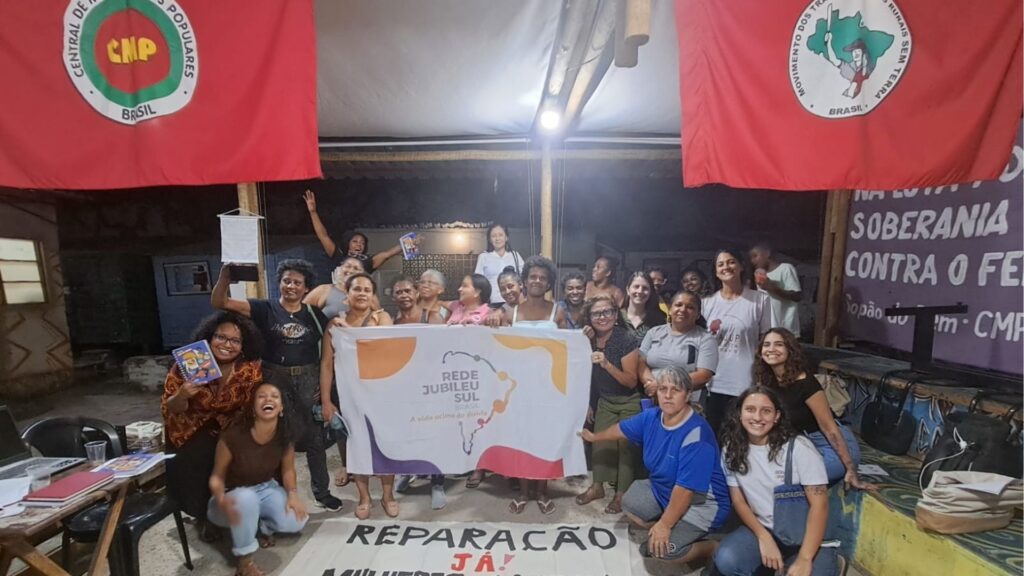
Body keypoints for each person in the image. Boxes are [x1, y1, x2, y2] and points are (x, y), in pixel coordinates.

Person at [212, 260, 343, 512]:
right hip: (273, 378)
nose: (291, 286)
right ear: (279, 283)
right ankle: (279, 496)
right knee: (277, 438)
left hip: (307, 379)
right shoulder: (264, 308)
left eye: (297, 282)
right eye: (286, 281)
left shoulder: (315, 315)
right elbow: (221, 302)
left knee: (315, 439)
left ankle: (322, 492)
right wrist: (224, 278)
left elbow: (335, 339)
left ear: (306, 288)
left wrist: (323, 390)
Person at [581, 367, 730, 564]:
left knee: (663, 551)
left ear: (687, 395)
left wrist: (665, 526)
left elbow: (685, 490)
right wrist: (594, 437)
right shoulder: (652, 416)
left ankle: (712, 547)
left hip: (702, 504)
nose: (667, 395)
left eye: (675, 390)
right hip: (666, 491)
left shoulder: (697, 436)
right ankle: (671, 528)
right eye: (662, 389)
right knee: (630, 503)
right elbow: (622, 429)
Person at [162, 312, 264, 542]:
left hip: (230, 425)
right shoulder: (188, 364)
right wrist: (183, 394)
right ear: (209, 338)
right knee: (202, 458)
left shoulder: (248, 369)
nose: (227, 344)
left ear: (243, 345)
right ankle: (206, 518)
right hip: (190, 427)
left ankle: (242, 515)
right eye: (221, 337)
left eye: (235, 340)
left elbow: (251, 405)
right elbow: (172, 407)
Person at [713, 386, 837, 576]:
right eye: (750, 409)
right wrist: (764, 537)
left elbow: (819, 506)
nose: (757, 417)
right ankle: (775, 563)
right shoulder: (731, 448)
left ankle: (819, 562)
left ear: (777, 416)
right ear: (739, 413)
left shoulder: (799, 448)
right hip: (768, 530)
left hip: (807, 538)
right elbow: (738, 500)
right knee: (727, 558)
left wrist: (804, 558)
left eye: (766, 411)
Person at [207, 383, 308, 576]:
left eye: (274, 396)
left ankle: (259, 526)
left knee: (296, 521)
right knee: (246, 499)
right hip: (231, 495)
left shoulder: (285, 435)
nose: (268, 399)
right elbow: (217, 476)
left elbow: (288, 470)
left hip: (265, 488)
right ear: (253, 406)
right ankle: (245, 562)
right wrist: (221, 500)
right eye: (261, 396)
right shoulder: (233, 436)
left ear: (281, 408)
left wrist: (293, 495)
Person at [320, 273, 397, 519]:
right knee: (357, 445)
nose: (362, 293)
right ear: (347, 295)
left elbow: (385, 349)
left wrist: (351, 330)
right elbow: (326, 365)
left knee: (385, 445)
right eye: (357, 289)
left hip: (382, 393)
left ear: (372, 295)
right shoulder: (334, 324)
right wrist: (326, 400)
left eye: (367, 289)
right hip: (350, 395)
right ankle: (364, 497)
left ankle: (388, 495)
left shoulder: (381, 318)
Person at [755, 329, 872, 489]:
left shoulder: (806, 383)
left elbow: (829, 428)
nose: (771, 349)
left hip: (830, 444)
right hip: (801, 444)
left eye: (779, 344)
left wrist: (851, 469)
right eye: (766, 345)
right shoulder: (766, 381)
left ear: (790, 350)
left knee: (790, 475)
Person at [504, 256, 566, 515]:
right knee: (522, 439)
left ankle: (542, 492)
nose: (538, 281)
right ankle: (524, 492)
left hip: (548, 385)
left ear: (549, 282)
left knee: (545, 440)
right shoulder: (510, 312)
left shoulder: (557, 312)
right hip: (518, 386)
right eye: (533, 277)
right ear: (524, 282)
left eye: (543, 277)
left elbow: (566, 349)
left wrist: (582, 337)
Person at [575, 295, 641, 515]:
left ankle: (621, 494)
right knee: (600, 445)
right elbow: (586, 376)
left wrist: (606, 363)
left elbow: (631, 381)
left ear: (615, 315)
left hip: (628, 401)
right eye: (596, 313)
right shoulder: (588, 339)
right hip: (604, 400)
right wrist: (589, 403)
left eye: (607, 312)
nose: (602, 317)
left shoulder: (627, 339)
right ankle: (597, 487)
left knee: (625, 449)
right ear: (589, 317)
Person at [702, 249, 776, 431]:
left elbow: (767, 341)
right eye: (721, 264)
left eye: (731, 261)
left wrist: (763, 379)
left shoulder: (760, 300)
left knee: (742, 437)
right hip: (713, 382)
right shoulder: (706, 303)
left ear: (742, 266)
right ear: (716, 271)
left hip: (746, 382)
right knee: (714, 436)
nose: (726, 267)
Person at [390, 276, 448, 509]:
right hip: (404, 387)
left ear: (416, 294)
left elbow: (443, 352)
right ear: (393, 297)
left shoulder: (431, 317)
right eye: (398, 292)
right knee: (408, 435)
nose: (404, 295)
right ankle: (408, 471)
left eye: (407, 291)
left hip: (430, 387)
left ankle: (437, 483)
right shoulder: (391, 322)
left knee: (434, 436)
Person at [639, 291, 718, 405]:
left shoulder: (705, 339)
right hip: (652, 397)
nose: (683, 309)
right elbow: (641, 363)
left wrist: (662, 386)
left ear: (698, 314)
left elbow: (704, 375)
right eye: (678, 305)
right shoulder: (654, 332)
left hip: (688, 402)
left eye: (690, 307)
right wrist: (650, 383)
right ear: (670, 310)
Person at [303, 189, 407, 274]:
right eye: (355, 241)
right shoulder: (339, 256)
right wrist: (313, 212)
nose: (359, 244)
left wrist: (409, 242)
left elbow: (387, 254)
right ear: (347, 243)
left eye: (362, 242)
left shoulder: (368, 261)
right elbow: (323, 236)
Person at [749, 242, 803, 338]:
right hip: (768, 331)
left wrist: (771, 288)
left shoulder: (786, 268)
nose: (752, 261)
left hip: (787, 331)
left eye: (755, 256)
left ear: (767, 253)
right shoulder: (760, 276)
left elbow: (797, 296)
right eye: (751, 258)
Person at [303, 256, 379, 318]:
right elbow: (301, 312)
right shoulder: (324, 290)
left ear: (363, 273)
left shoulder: (369, 296)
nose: (350, 270)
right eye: (347, 266)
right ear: (340, 267)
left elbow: (378, 318)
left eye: (356, 268)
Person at [474, 224, 522, 306]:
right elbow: (478, 282)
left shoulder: (515, 255)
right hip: (492, 302)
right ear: (489, 239)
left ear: (506, 237)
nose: (497, 239)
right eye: (493, 236)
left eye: (500, 235)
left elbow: (523, 276)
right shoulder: (484, 256)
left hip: (513, 302)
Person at [620, 271, 663, 343]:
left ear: (650, 292)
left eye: (645, 288)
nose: (640, 291)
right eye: (636, 286)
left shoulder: (658, 320)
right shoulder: (616, 317)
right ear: (628, 290)